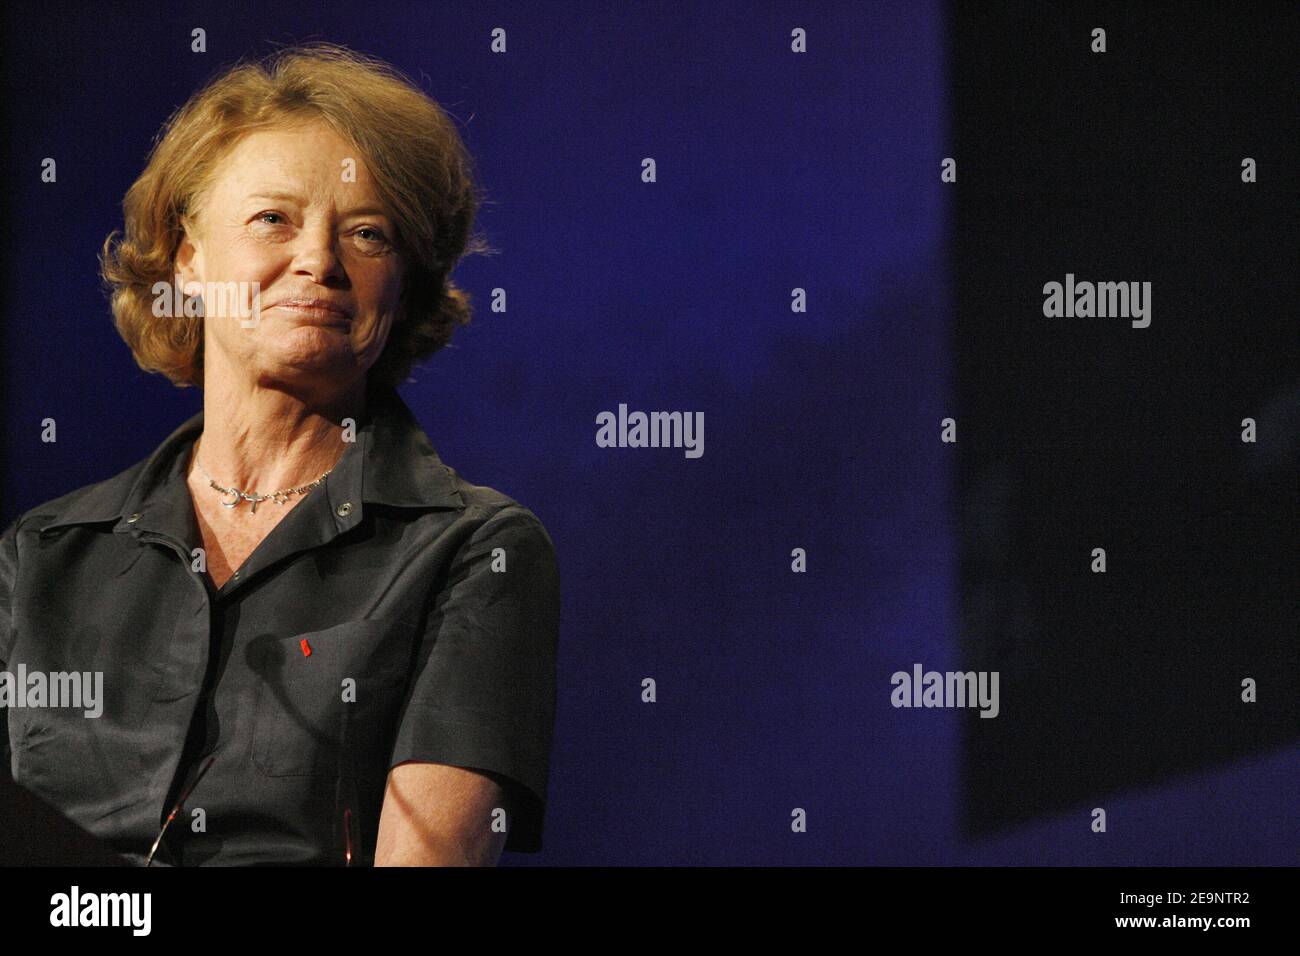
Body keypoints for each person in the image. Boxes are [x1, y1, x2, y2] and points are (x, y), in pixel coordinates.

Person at [0, 44, 560, 866]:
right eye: (274, 219)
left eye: (368, 234)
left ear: (401, 284)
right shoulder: (44, 556)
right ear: (188, 259)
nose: (319, 262)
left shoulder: (476, 553)